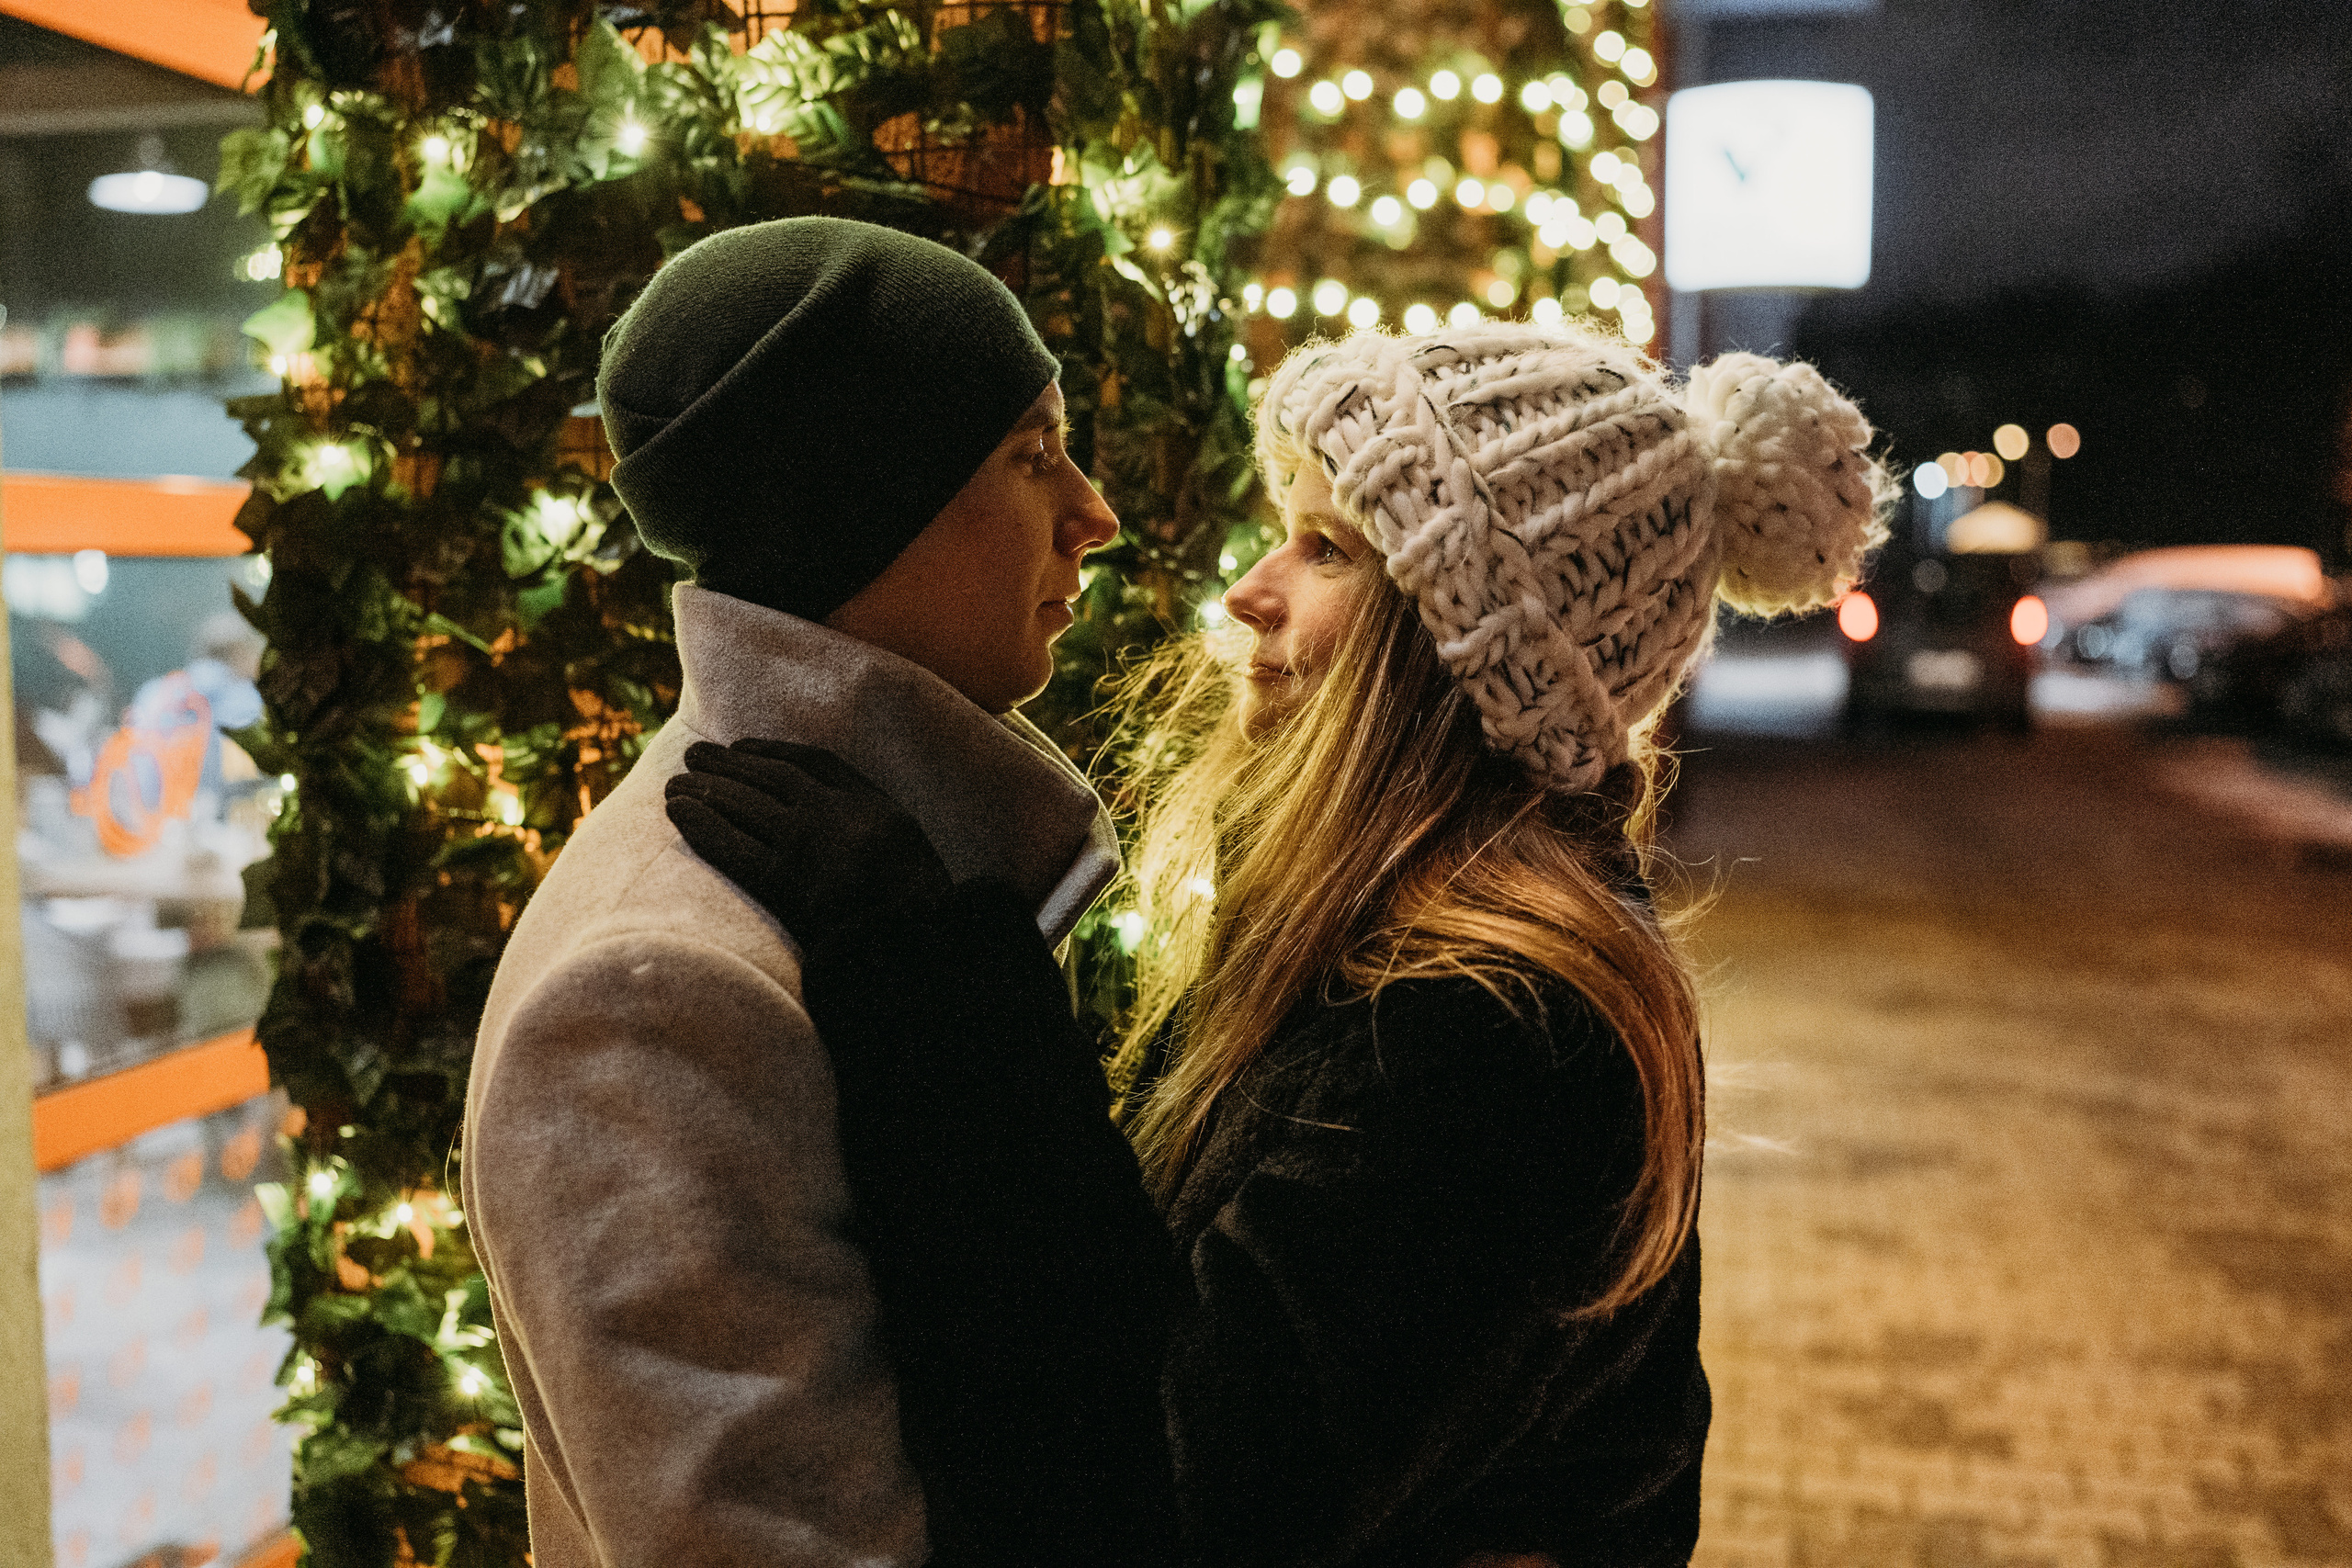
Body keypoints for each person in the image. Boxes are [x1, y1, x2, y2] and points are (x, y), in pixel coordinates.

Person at [668, 321, 1893, 1567]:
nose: (1249, 592)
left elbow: (1150, 1506)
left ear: (1457, 651)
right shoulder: (1376, 932)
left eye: (1327, 549)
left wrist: (934, 988)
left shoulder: (1496, 1031)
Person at [460, 215, 1171, 1568]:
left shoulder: (889, 878)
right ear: (863, 508)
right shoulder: (655, 991)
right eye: (1032, 456)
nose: (1096, 515)